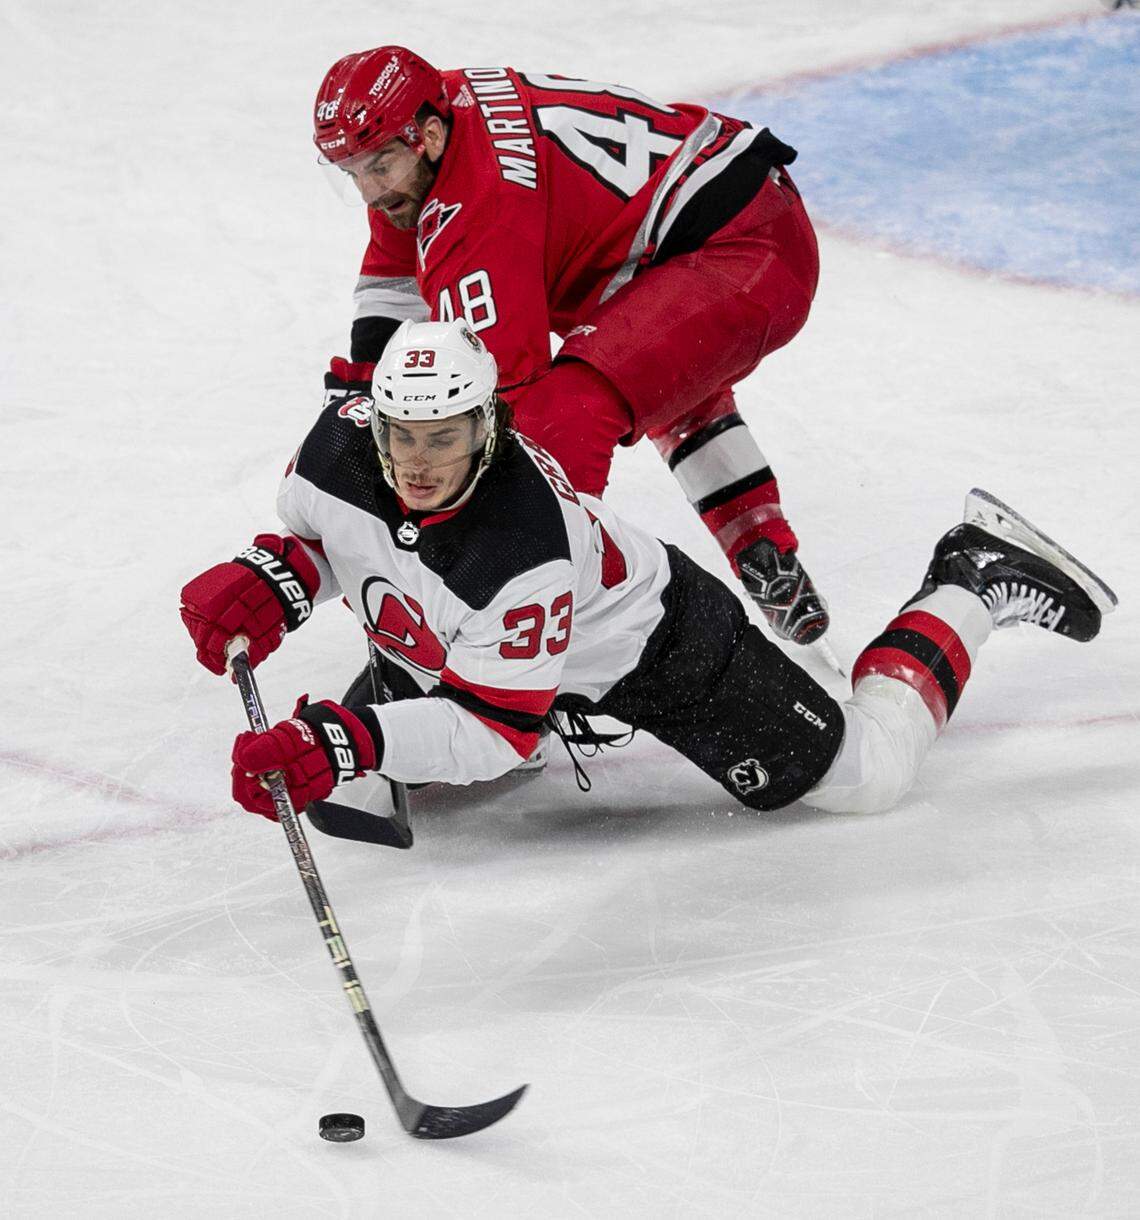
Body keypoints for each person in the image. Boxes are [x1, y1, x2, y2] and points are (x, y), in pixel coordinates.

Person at [180, 321, 1115, 821]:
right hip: (489, 648)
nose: (419, 462)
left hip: (657, 644)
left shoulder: (522, 547)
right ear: (372, 423)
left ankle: (974, 574)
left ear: (488, 429)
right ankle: (531, 712)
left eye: (446, 438)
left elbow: (490, 732)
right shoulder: (335, 451)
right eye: (403, 438)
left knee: (866, 777)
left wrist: (348, 742)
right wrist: (276, 577)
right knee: (404, 767)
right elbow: (327, 536)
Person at [311, 46, 830, 646]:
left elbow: (517, 413)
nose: (371, 191)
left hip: (750, 252)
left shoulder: (483, 216)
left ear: (426, 136)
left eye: (378, 168)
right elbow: (395, 267)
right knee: (641, 361)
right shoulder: (433, 115)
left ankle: (542, 632)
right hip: (705, 223)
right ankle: (760, 542)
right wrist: (352, 398)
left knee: (564, 411)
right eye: (350, 172)